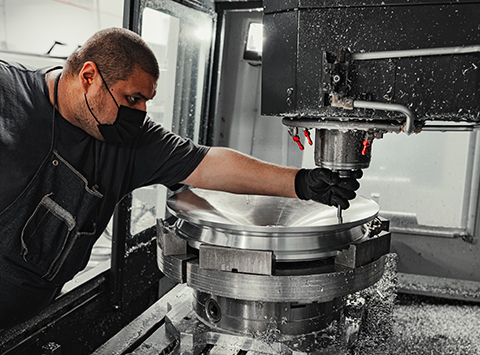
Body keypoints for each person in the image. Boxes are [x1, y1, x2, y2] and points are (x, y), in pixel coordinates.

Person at [0, 27, 361, 326]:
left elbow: (208, 164)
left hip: (28, 317)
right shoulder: (9, 96)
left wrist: (301, 182)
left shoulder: (129, 143)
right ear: (89, 76)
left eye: (147, 101)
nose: (141, 113)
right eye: (132, 99)